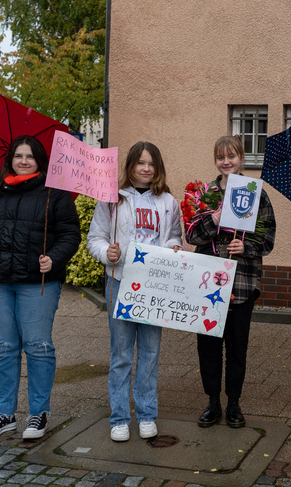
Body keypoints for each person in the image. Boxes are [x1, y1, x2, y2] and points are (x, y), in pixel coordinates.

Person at [0, 136, 80, 440]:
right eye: (18, 156)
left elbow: (70, 235)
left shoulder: (55, 194)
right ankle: (5, 414)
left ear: (40, 160)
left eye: (30, 156)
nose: (23, 161)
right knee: (3, 348)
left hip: (35, 284)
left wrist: (53, 258)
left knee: (38, 347)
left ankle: (38, 414)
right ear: (10, 159)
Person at [87, 142, 183, 442]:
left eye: (151, 163)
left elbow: (173, 237)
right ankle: (119, 417)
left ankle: (146, 414)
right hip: (120, 282)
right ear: (130, 166)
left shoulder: (169, 202)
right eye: (140, 163)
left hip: (154, 286)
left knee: (151, 353)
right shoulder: (112, 200)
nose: (146, 168)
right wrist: (107, 253)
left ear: (158, 168)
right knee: (121, 355)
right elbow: (95, 238)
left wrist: (173, 248)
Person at [185, 136, 276, 428]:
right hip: (209, 284)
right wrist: (215, 218)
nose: (226, 161)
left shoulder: (256, 193)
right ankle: (213, 401)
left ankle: (234, 403)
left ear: (242, 158)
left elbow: (268, 238)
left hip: (242, 283)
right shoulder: (205, 193)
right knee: (208, 346)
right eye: (221, 157)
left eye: (232, 156)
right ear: (216, 160)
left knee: (237, 347)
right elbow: (192, 236)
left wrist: (245, 248)